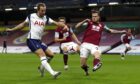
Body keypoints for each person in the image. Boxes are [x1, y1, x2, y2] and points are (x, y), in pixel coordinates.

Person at [6, 3, 68, 79]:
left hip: (39, 41)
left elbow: (57, 23)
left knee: (51, 55)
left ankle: (41, 68)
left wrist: (65, 26)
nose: (44, 12)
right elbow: (22, 24)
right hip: (31, 40)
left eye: (44, 11)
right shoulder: (31, 16)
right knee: (42, 55)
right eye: (42, 11)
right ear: (38, 10)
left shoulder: (46, 18)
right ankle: (53, 73)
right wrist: (12, 29)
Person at [75, 10, 126, 76]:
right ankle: (86, 70)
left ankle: (96, 64)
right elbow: (76, 26)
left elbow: (110, 30)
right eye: (93, 16)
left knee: (97, 54)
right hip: (84, 45)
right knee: (82, 65)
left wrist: (121, 31)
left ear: (99, 17)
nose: (94, 18)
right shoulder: (88, 22)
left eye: (95, 16)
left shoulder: (102, 25)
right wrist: (84, 21)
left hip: (94, 45)